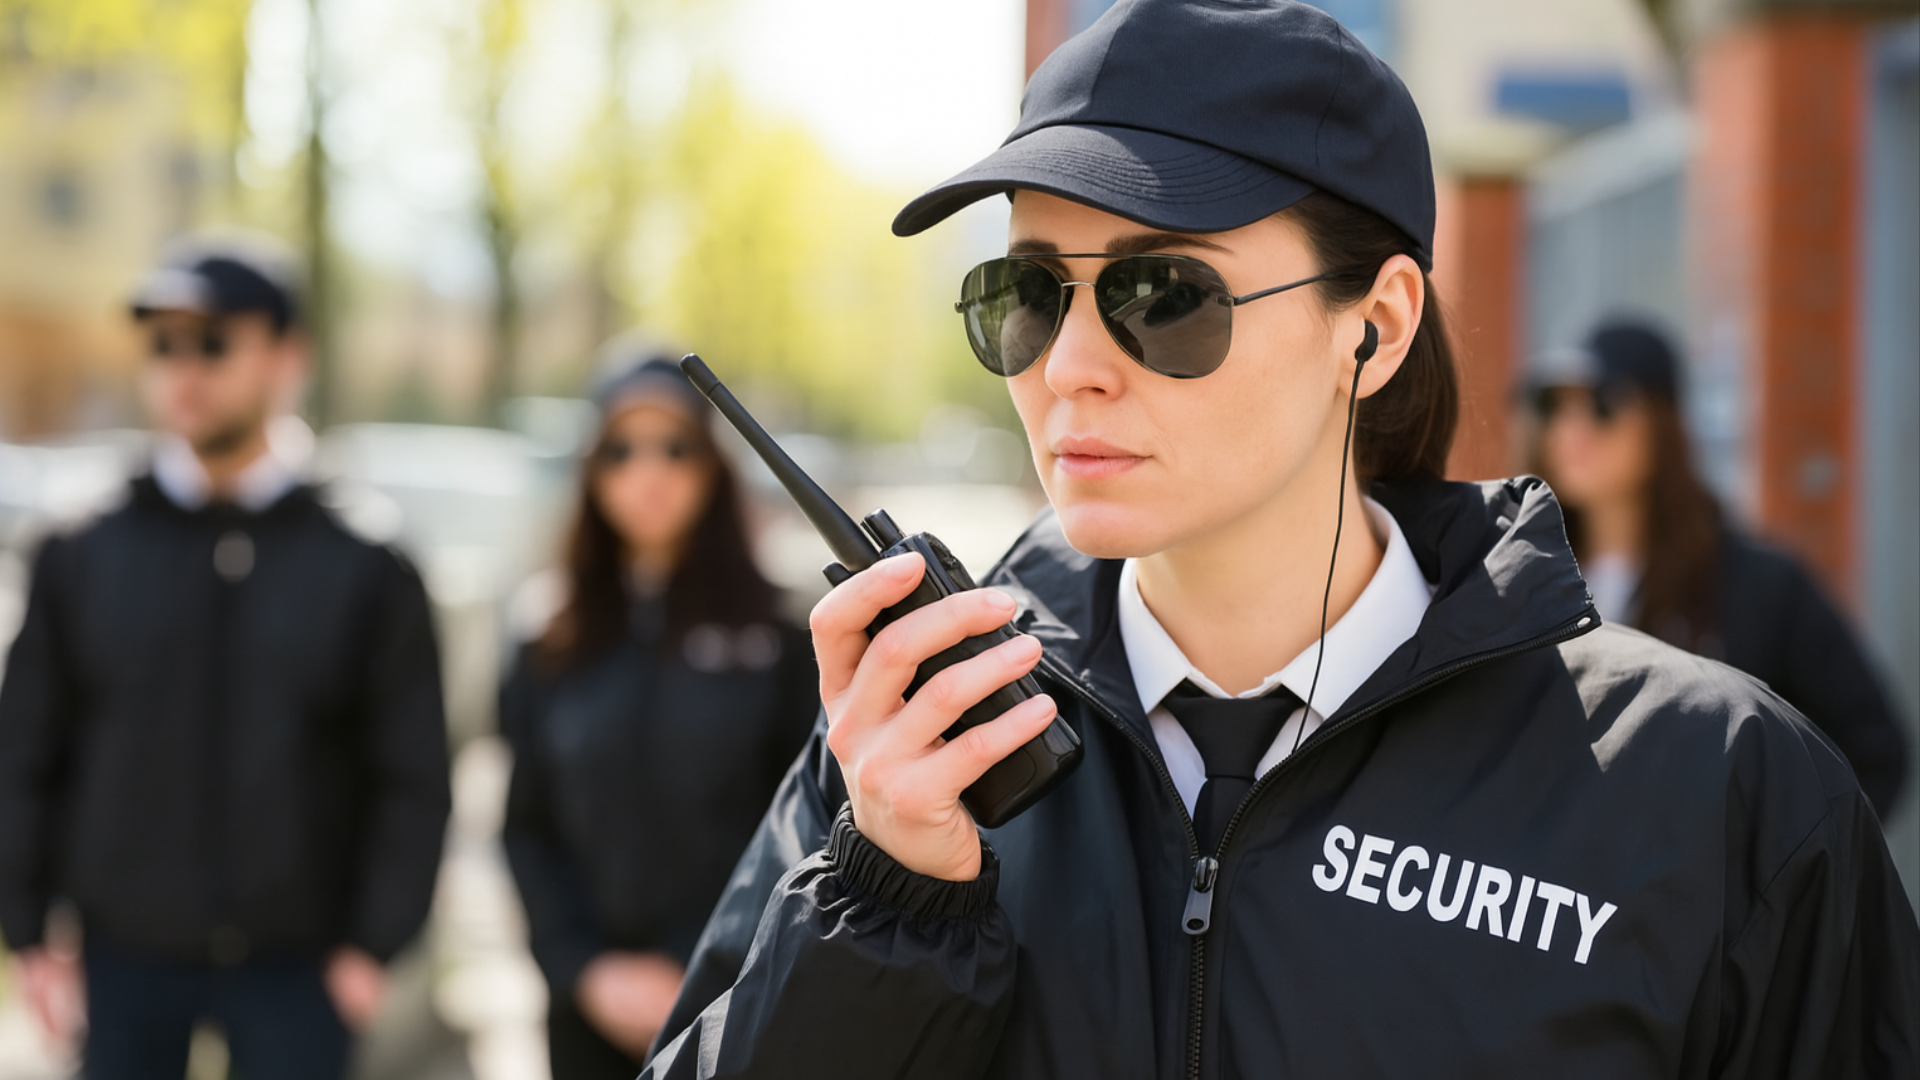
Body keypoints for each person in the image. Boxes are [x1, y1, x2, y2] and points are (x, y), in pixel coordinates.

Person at [642, 2, 1920, 1076]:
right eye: (1027, 294)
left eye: (1164, 295)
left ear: (1377, 325)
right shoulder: (912, 741)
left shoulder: (1720, 797)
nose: (1071, 368)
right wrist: (885, 907)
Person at [0, 234, 451, 1080]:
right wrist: (27, 930)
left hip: (303, 969)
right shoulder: (79, 547)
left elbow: (413, 770)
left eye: (212, 341)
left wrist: (372, 947)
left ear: (288, 358)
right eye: (163, 343)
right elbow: (26, 746)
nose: (184, 368)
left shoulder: (365, 561)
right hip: (123, 960)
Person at [498, 346, 817, 1078]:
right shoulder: (548, 634)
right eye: (620, 450)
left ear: (710, 463)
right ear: (589, 468)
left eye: (673, 447)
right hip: (587, 1006)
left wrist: (695, 962)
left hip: (738, 995)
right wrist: (582, 966)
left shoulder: (781, 632)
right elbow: (526, 824)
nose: (647, 473)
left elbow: (805, 822)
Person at [1528, 318, 1909, 815]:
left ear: (1661, 421)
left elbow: (1874, 753)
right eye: (1555, 406)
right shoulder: (1526, 575)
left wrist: (1767, 874)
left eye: (1601, 404)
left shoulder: (1755, 585)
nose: (1571, 430)